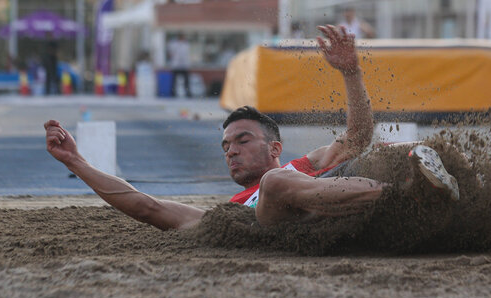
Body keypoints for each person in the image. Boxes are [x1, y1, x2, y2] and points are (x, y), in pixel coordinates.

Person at [44, 25, 458, 231]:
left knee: (392, 149)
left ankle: (444, 191)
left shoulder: (304, 165)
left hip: (349, 209)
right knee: (278, 184)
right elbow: (146, 207)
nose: (231, 151)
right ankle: (402, 198)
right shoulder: (225, 216)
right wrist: (77, 162)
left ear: (274, 147)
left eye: (242, 140)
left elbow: (358, 135)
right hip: (292, 229)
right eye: (226, 146)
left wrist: (351, 74)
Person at [167, 33, 192, 98]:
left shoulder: (186, 45)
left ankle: (187, 92)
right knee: (174, 81)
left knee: (186, 80)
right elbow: (170, 53)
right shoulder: (173, 44)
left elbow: (187, 54)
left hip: (184, 65)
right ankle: (173, 93)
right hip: (176, 65)